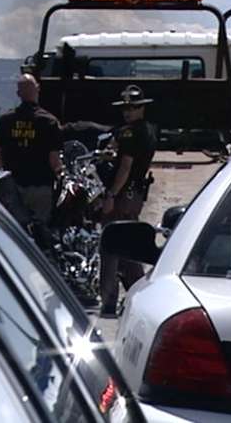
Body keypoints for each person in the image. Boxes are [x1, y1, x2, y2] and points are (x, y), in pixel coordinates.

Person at [98, 85, 157, 318]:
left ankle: (109, 301)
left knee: (110, 247)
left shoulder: (130, 133)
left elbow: (125, 167)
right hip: (135, 195)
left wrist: (111, 195)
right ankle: (141, 295)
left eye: (133, 107)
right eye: (125, 108)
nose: (128, 112)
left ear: (142, 108)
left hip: (123, 196)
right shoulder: (148, 130)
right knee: (128, 249)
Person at [0, 74, 64, 223]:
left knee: (15, 230)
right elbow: (54, 160)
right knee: (41, 230)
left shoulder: (5, 120)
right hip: (40, 186)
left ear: (18, 94)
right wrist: (61, 174)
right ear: (38, 89)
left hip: (13, 186)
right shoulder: (49, 121)